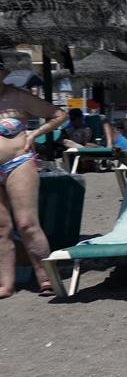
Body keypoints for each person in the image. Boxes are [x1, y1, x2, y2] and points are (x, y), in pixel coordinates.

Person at [0, 75, 65, 298]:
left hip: (17, 163)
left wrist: (36, 133)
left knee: (27, 223)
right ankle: (6, 285)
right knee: (1, 228)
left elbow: (59, 115)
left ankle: (46, 278)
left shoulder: (18, 97)